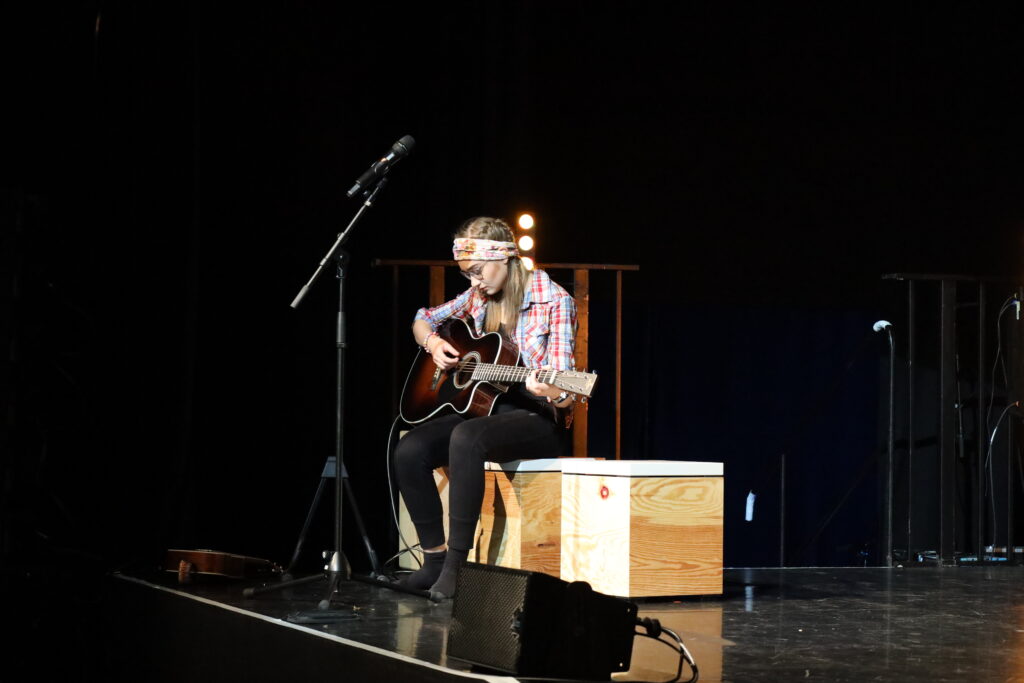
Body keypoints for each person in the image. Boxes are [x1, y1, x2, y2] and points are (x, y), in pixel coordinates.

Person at [394, 216, 578, 599]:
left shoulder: (555, 300)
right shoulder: (477, 296)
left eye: (477, 271)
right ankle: (434, 560)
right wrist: (432, 345)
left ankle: (458, 567)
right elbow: (422, 319)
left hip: (535, 419)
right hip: (484, 411)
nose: (474, 282)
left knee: (465, 436)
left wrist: (552, 390)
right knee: (410, 448)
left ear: (506, 257)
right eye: (467, 275)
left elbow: (565, 391)